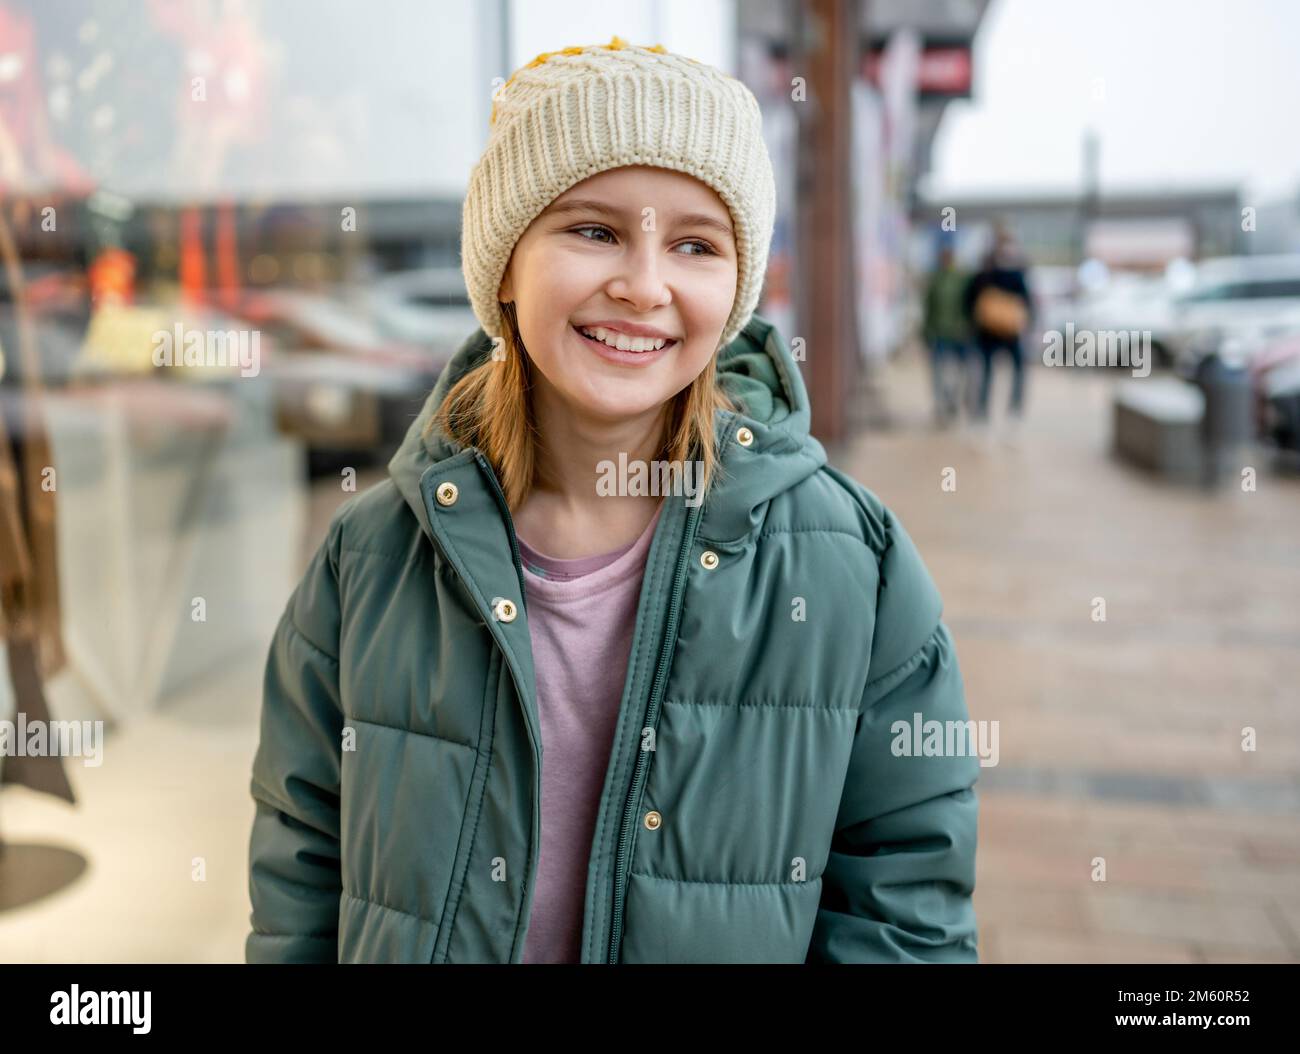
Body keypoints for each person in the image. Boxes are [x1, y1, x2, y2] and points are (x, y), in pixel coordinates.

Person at [245, 36, 979, 964]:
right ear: (506, 266)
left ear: (737, 286)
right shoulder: (371, 556)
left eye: (695, 244)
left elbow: (906, 901)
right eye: (593, 231)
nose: (643, 285)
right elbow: (301, 861)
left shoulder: (852, 564)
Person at [963, 230, 1033, 423]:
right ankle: (1012, 408)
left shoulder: (985, 274)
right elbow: (1026, 302)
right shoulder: (1015, 275)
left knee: (988, 372)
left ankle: (985, 410)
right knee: (1013, 370)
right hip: (1005, 332)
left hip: (991, 332)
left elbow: (969, 300)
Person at [921, 243, 975, 426]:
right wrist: (926, 332)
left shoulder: (962, 280)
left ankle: (952, 400)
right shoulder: (936, 280)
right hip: (939, 332)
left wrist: (970, 327)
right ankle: (941, 405)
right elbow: (928, 307)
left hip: (959, 332)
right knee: (938, 372)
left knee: (960, 371)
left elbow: (970, 304)